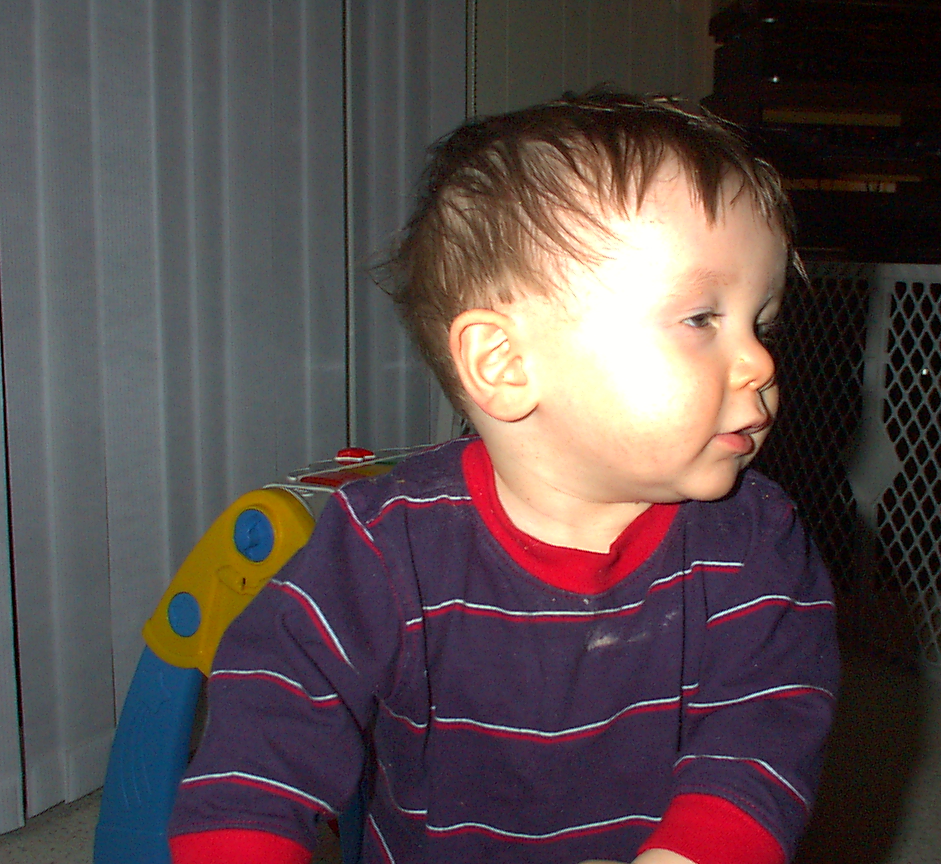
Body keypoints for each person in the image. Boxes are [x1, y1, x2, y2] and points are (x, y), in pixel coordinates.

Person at [166, 89, 839, 864]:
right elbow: (266, 731)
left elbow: (766, 732)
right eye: (701, 320)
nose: (760, 362)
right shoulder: (386, 545)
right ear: (504, 363)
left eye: (763, 323)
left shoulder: (755, 541)